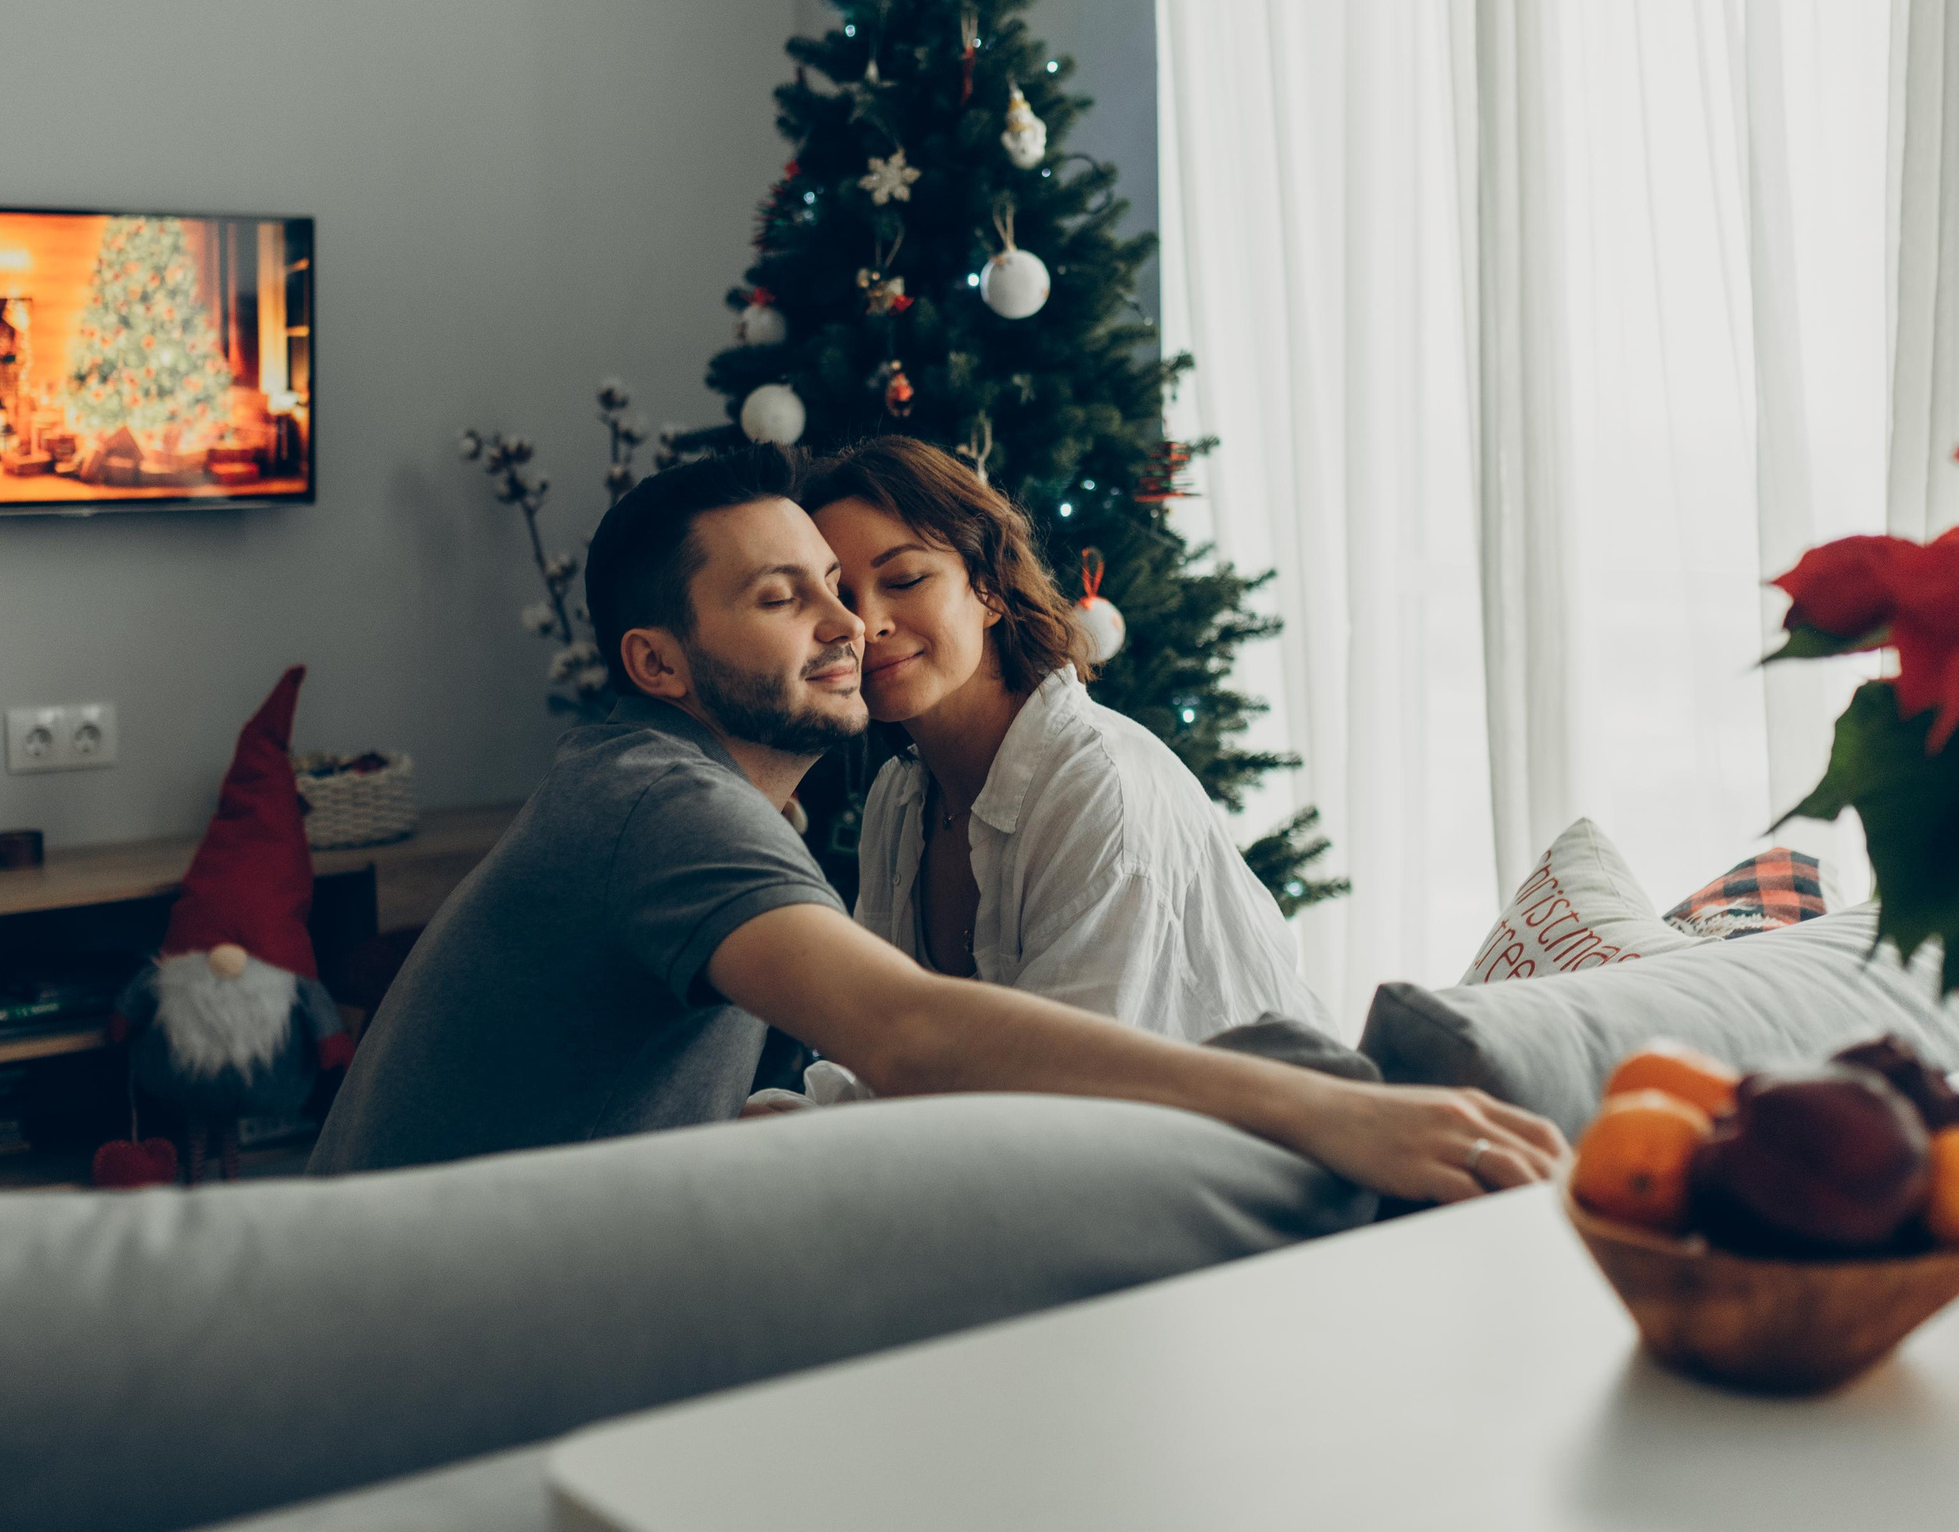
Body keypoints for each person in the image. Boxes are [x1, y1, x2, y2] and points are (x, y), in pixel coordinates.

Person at [310, 446, 1564, 1203]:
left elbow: (948, 1070)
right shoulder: (669, 803)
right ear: (660, 661)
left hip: (1162, 1178)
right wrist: (1321, 1105)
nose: (852, 625)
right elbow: (905, 1032)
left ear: (983, 579)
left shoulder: (700, 794)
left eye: (866, 586)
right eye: (786, 595)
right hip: (433, 1325)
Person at [802, 436, 1332, 1045]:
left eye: (905, 579)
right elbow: (883, 1045)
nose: (865, 624)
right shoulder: (899, 798)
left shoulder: (1099, 790)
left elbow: (1063, 1096)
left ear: (990, 589)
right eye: (840, 597)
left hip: (1229, 1137)